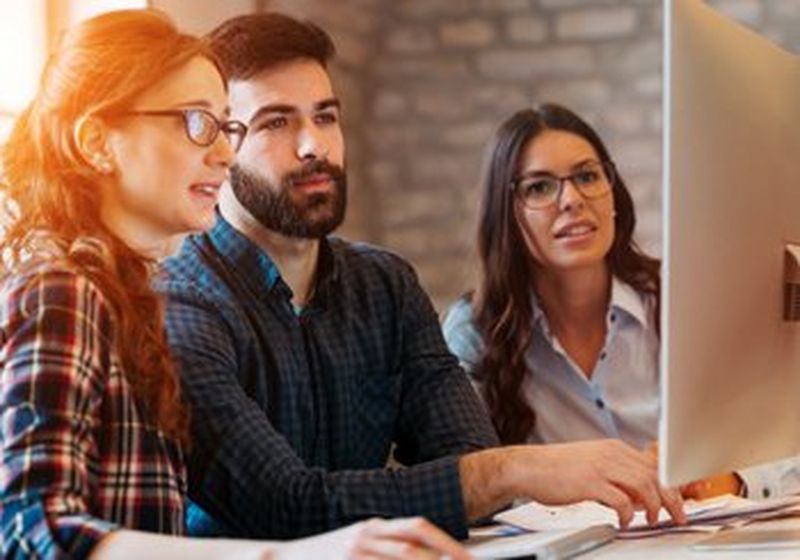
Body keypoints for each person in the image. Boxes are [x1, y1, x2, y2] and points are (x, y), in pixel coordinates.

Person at [161, 13, 686, 542]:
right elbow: (283, 505)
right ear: (222, 143)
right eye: (276, 123)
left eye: (325, 117)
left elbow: (467, 461)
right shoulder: (181, 304)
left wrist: (494, 475)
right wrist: (515, 469)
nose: (313, 146)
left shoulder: (385, 286)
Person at [0, 9, 472, 560]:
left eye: (225, 126)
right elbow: (29, 532)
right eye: (196, 122)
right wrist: (285, 555)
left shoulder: (127, 301)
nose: (224, 153)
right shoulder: (61, 292)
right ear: (98, 143)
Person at [442, 103, 800, 502]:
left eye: (587, 176)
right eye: (539, 187)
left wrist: (728, 479)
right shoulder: (474, 331)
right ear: (505, 213)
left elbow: (786, 440)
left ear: (612, 192)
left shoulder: (685, 299)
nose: (572, 199)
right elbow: (463, 485)